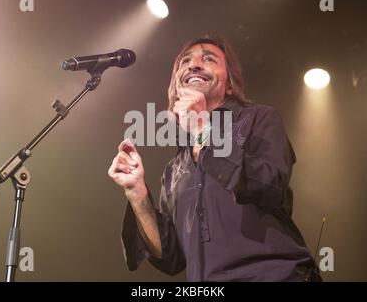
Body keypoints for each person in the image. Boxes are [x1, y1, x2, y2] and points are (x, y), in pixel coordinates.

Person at [108, 35, 321, 281]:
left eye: (208, 59)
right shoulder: (175, 168)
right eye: (185, 61)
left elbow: (270, 186)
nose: (194, 65)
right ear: (176, 85)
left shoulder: (258, 119)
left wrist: (202, 130)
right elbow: (171, 258)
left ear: (229, 84)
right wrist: (138, 194)